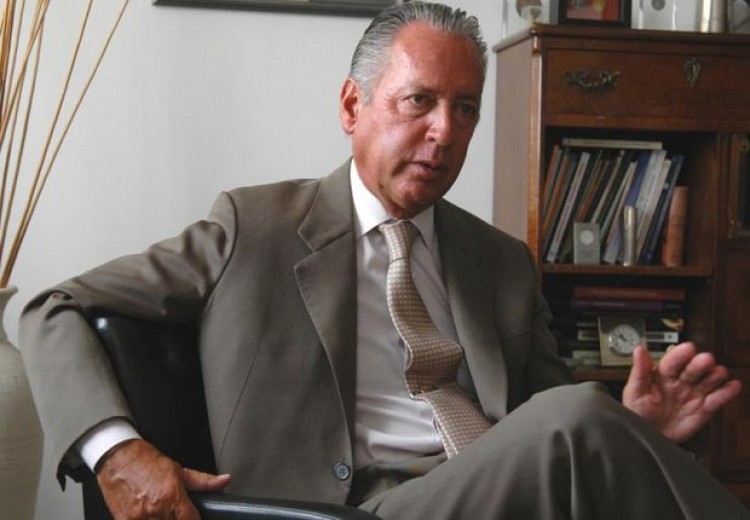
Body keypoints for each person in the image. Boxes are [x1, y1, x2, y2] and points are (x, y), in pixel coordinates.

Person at [20, 2, 749, 519]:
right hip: (341, 510)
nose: (444, 132)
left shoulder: (500, 262)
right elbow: (51, 308)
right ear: (352, 107)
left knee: (584, 417)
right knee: (580, 414)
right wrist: (115, 452)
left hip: (493, 497)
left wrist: (633, 432)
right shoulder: (254, 226)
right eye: (418, 101)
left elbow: (549, 436)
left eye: (466, 108)